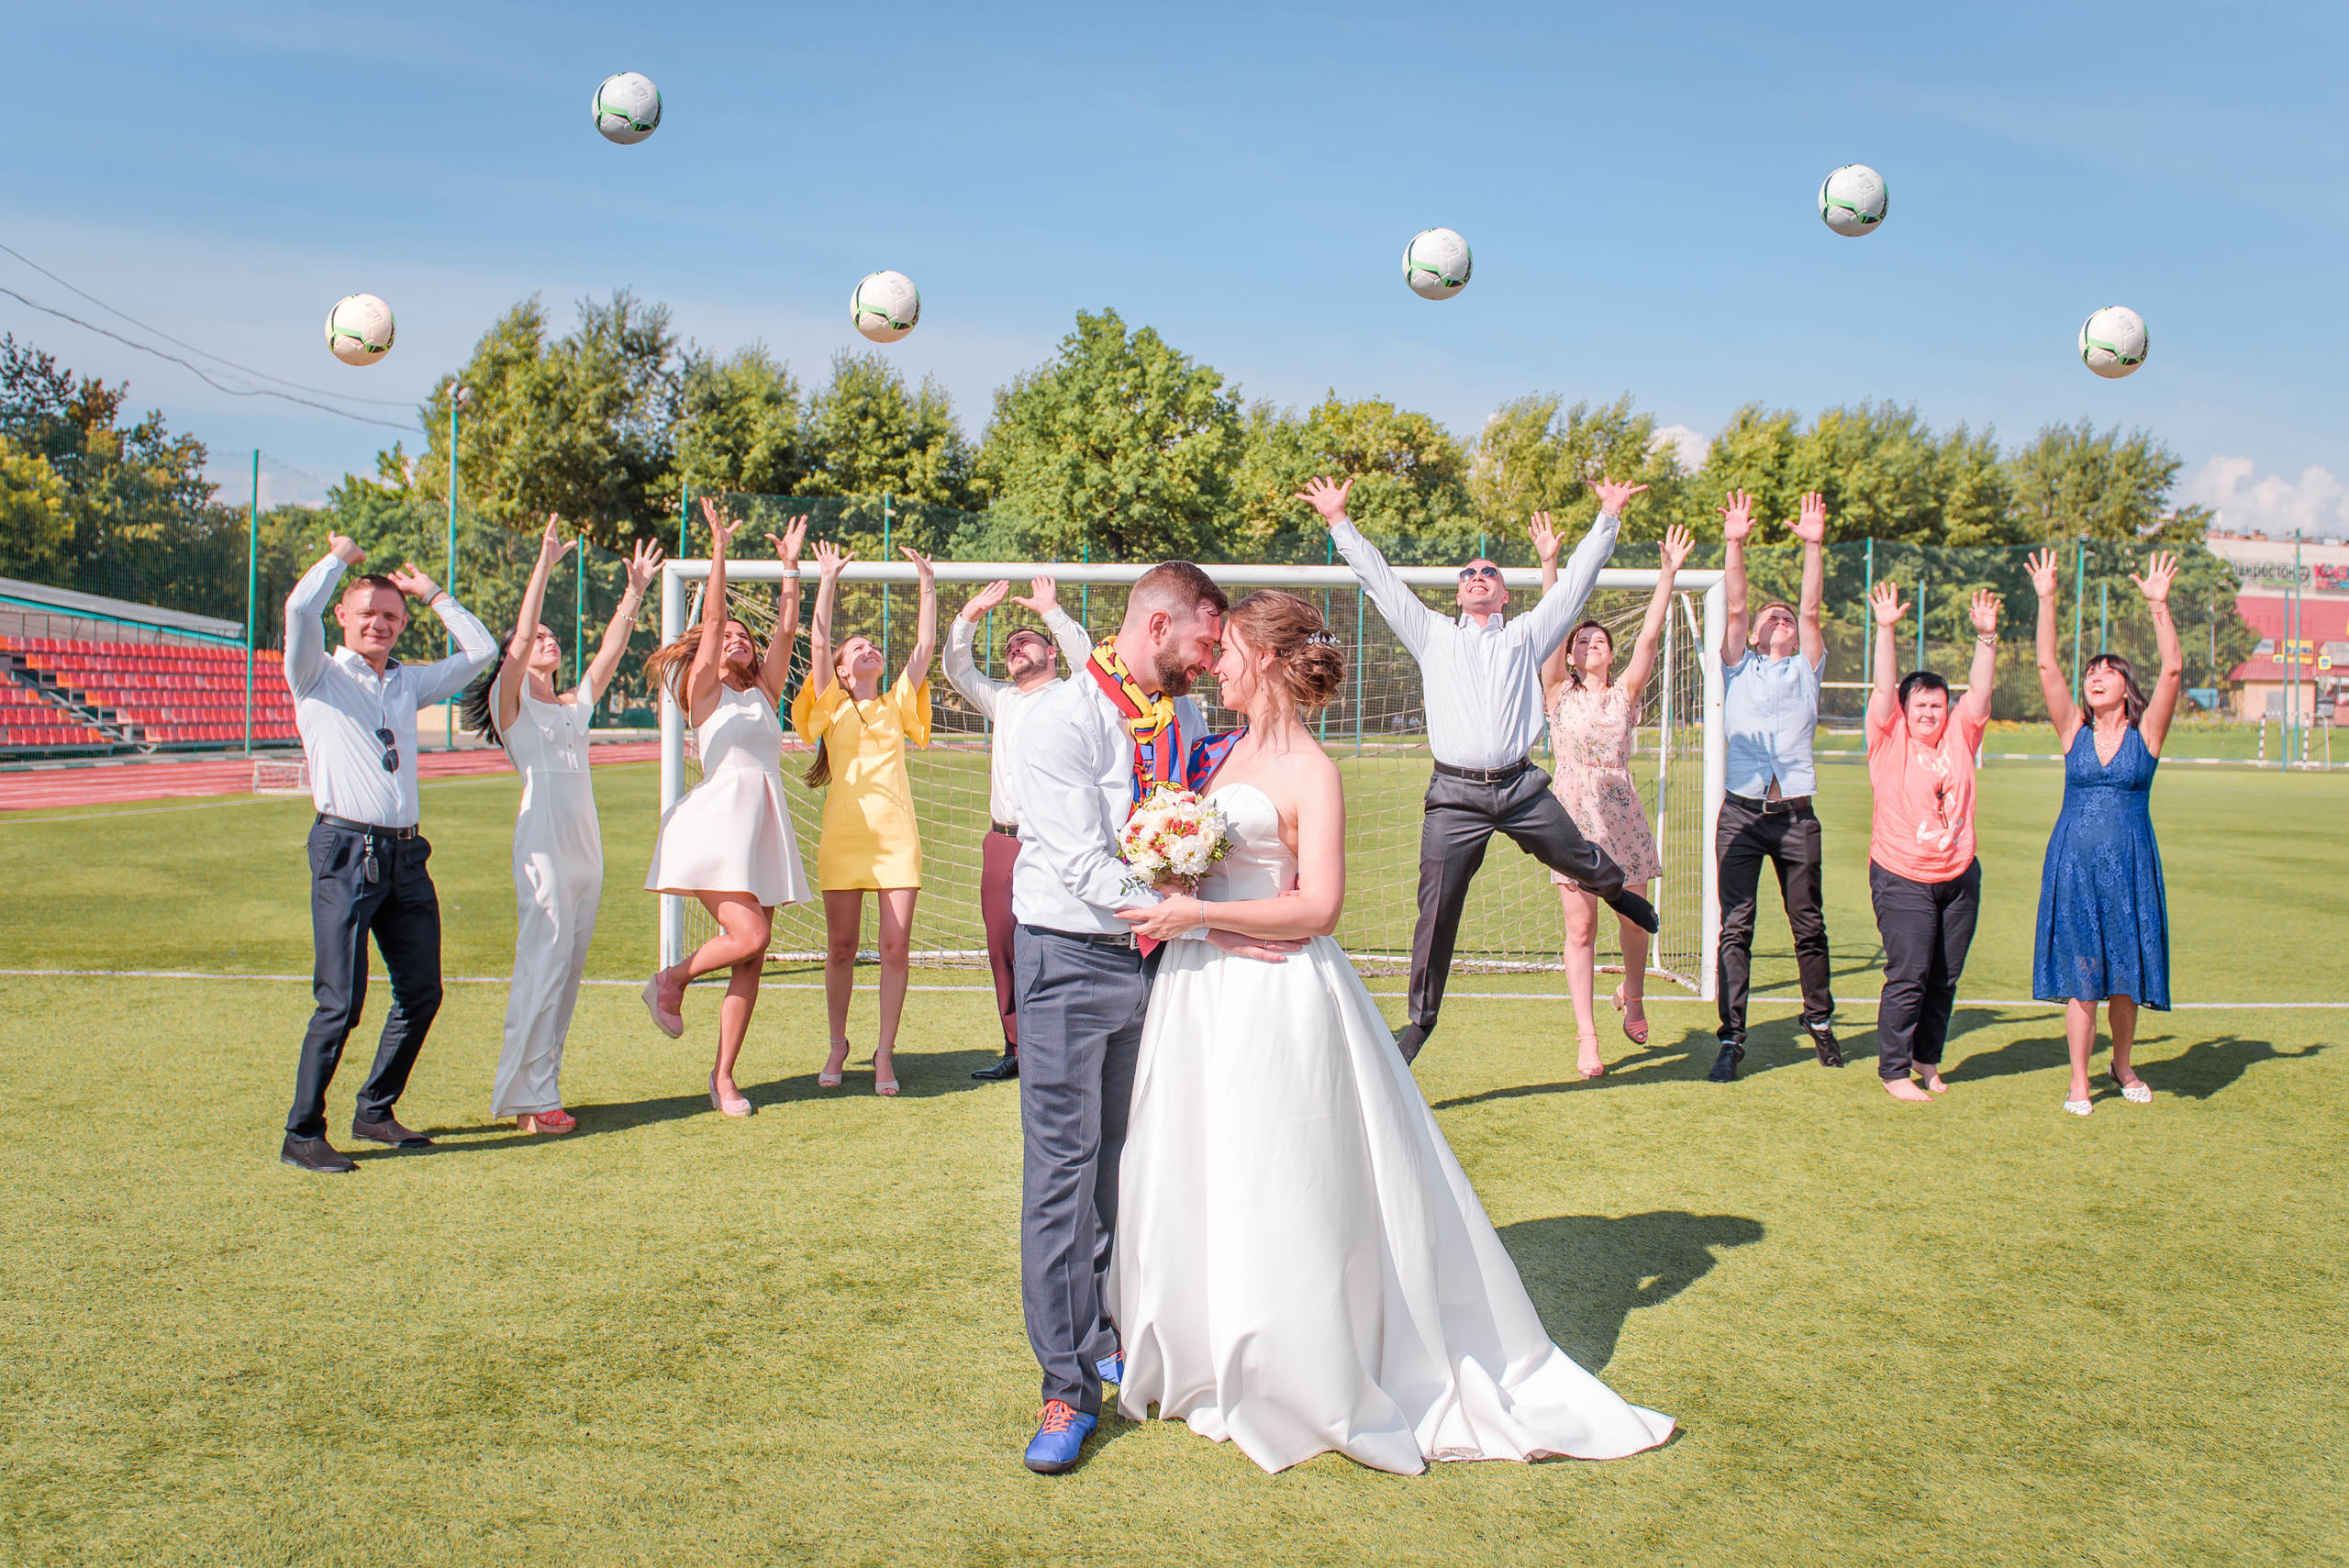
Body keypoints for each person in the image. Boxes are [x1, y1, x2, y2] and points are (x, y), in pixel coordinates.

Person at [1108, 591, 1675, 1475]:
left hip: (1274, 994)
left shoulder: (1312, 770)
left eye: (1227, 650)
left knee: (1276, 1171)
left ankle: (1290, 1360)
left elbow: (1319, 906)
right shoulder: (1222, 749)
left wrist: (1200, 915)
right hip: (1202, 985)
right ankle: (1208, 1342)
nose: (1212, 664)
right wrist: (1178, 885)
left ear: (1264, 655)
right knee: (1206, 1156)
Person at [1004, 559, 1251, 1474]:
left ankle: (1110, 1333)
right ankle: (1066, 1386)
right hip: (1070, 960)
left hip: (1154, 961)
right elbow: (1079, 866)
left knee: (1128, 1165)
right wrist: (1194, 915)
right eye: (1205, 641)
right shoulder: (1059, 718)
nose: (1209, 659)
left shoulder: (1176, 718)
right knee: (1063, 1176)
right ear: (1156, 626)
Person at [1302, 473, 1659, 1066]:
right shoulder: (1431, 634)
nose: (1476, 576)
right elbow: (1380, 581)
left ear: (1503, 595)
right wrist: (1339, 521)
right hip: (1455, 796)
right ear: (1458, 594)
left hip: (1521, 787)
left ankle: (1622, 895)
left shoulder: (1526, 636)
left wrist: (1608, 517)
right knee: (1436, 910)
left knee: (1580, 855)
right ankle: (1419, 1023)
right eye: (1467, 573)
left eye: (1488, 572)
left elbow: (1575, 584)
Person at [277, 532, 498, 1174]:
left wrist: (432, 594)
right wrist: (339, 559)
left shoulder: (407, 682)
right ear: (343, 617)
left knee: (422, 992)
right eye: (367, 613)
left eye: (391, 616)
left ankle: (374, 1109)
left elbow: (482, 652)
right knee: (340, 1002)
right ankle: (302, 1132)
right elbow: (297, 610)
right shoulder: (315, 673)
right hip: (345, 848)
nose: (379, 623)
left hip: (405, 854)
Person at [459, 513, 662, 1135]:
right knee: (542, 970)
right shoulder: (510, 705)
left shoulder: (574, 706)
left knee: (567, 977)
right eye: (539, 637)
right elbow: (520, 639)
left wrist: (635, 591)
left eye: (552, 636)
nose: (546, 640)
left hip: (586, 855)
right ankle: (526, 1097)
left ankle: (543, 1087)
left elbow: (610, 653)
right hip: (544, 849)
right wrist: (544, 565)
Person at [640, 501, 813, 1117]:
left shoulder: (763, 689)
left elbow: (787, 631)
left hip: (761, 824)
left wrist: (790, 568)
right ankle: (672, 978)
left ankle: (724, 1076)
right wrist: (718, 547)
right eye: (729, 637)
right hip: (715, 826)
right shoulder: (703, 689)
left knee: (751, 956)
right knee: (750, 934)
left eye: (745, 637)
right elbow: (712, 617)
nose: (738, 639)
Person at [2028, 548, 2182, 1117]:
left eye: (2107, 671)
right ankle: (2078, 1081)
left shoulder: (2148, 735)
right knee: (2082, 973)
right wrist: (2047, 599)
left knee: (2124, 972)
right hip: (2074, 863)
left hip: (2132, 865)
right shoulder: (2073, 728)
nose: (2095, 676)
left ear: (2126, 686)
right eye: (2091, 672)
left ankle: (2122, 1063)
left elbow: (2172, 669)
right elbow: (2047, 666)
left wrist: (2159, 606)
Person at [1537, 523, 1693, 1078]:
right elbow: (1554, 624)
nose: (1590, 644)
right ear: (1571, 654)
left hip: (1623, 816)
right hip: (1572, 821)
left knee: (1634, 920)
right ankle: (1587, 1036)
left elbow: (1649, 636)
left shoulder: (1626, 692)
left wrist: (1668, 573)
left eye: (1598, 640)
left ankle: (1634, 995)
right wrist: (1550, 563)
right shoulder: (1558, 691)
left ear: (1609, 652)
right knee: (1580, 930)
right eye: (1581, 641)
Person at [793, 539, 939, 1098]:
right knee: (841, 947)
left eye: (873, 645)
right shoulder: (831, 703)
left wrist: (927, 582)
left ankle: (884, 1051)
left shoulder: (898, 702)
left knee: (896, 948)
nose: (868, 649)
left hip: (897, 840)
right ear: (841, 670)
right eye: (857, 648)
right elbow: (818, 640)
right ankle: (837, 1043)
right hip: (843, 839)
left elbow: (924, 646)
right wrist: (827, 578)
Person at [942, 573, 1096, 1082]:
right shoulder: (1001, 700)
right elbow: (956, 667)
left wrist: (1050, 611)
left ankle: (1066, 1039)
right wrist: (969, 616)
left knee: (1059, 940)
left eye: (1025, 640)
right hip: (1003, 841)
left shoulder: (1074, 694)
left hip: (1056, 841)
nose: (1014, 648)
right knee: (1002, 944)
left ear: (1050, 652)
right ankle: (1017, 1047)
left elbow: (1090, 663)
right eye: (1008, 646)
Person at [1709, 489, 1839, 1084]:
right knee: (1735, 927)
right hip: (1740, 815)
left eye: (1784, 616)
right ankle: (1731, 1037)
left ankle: (1820, 1021)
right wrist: (1735, 541)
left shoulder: (1806, 669)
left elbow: (1810, 610)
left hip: (1795, 817)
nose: (1780, 618)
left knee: (1807, 924)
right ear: (1756, 635)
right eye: (1771, 616)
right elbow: (1736, 607)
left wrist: (1814, 545)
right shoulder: (1739, 665)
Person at [1863, 580, 1999, 1103]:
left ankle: (1926, 1058)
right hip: (1902, 876)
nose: (1929, 714)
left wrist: (1985, 638)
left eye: (1937, 706)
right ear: (1905, 709)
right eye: (1920, 705)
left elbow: (1979, 693)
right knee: (1909, 974)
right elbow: (1884, 689)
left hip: (1959, 875)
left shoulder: (1961, 734)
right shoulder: (1888, 735)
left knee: (1945, 976)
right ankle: (1894, 1070)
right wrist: (1886, 629)